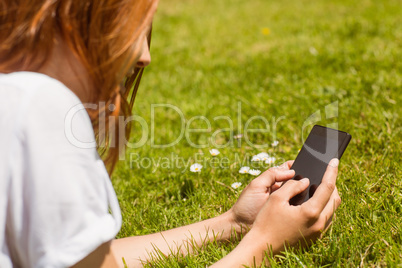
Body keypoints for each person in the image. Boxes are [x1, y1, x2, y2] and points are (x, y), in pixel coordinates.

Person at [0, 0, 341, 267]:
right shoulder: (37, 104)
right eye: (136, 23)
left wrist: (233, 224)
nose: (144, 56)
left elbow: (89, 259)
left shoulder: (13, 97)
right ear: (80, 13)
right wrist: (266, 244)